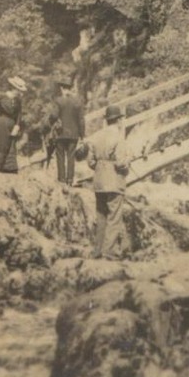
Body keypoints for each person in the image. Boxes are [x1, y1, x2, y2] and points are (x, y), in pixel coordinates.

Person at [86, 105, 131, 259]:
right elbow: (120, 163)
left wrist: (101, 166)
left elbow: (90, 162)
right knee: (114, 217)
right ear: (118, 120)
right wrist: (128, 162)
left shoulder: (96, 136)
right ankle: (110, 252)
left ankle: (97, 251)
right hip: (114, 181)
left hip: (98, 181)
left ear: (107, 120)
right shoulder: (118, 136)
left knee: (101, 216)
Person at [0, 76, 27, 175]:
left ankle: (2, 171)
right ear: (13, 88)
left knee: (6, 148)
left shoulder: (18, 101)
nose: (19, 92)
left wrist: (17, 125)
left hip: (11, 127)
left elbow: (19, 114)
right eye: (18, 90)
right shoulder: (1, 95)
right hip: (0, 124)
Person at [48, 78, 86, 185]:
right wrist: (82, 135)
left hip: (61, 133)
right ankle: (70, 180)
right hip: (74, 134)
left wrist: (51, 122)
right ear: (70, 88)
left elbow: (54, 115)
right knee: (71, 156)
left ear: (62, 88)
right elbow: (81, 120)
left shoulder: (58, 100)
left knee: (60, 156)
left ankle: (61, 179)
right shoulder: (78, 102)